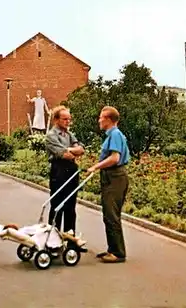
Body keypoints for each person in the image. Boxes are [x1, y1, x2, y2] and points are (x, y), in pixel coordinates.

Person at [87, 106, 130, 263]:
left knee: (112, 215)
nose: (99, 120)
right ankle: (112, 248)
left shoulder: (115, 135)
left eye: (101, 117)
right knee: (108, 214)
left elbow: (114, 158)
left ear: (109, 120)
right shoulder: (111, 135)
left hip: (115, 177)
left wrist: (95, 167)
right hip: (111, 177)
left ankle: (118, 253)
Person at [46, 106, 85, 237]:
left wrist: (70, 150)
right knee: (57, 204)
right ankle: (53, 237)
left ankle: (70, 237)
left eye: (69, 119)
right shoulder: (51, 135)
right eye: (65, 119)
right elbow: (63, 154)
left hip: (72, 170)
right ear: (56, 119)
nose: (68, 122)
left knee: (70, 205)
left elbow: (81, 149)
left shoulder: (69, 134)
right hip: (59, 170)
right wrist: (72, 150)